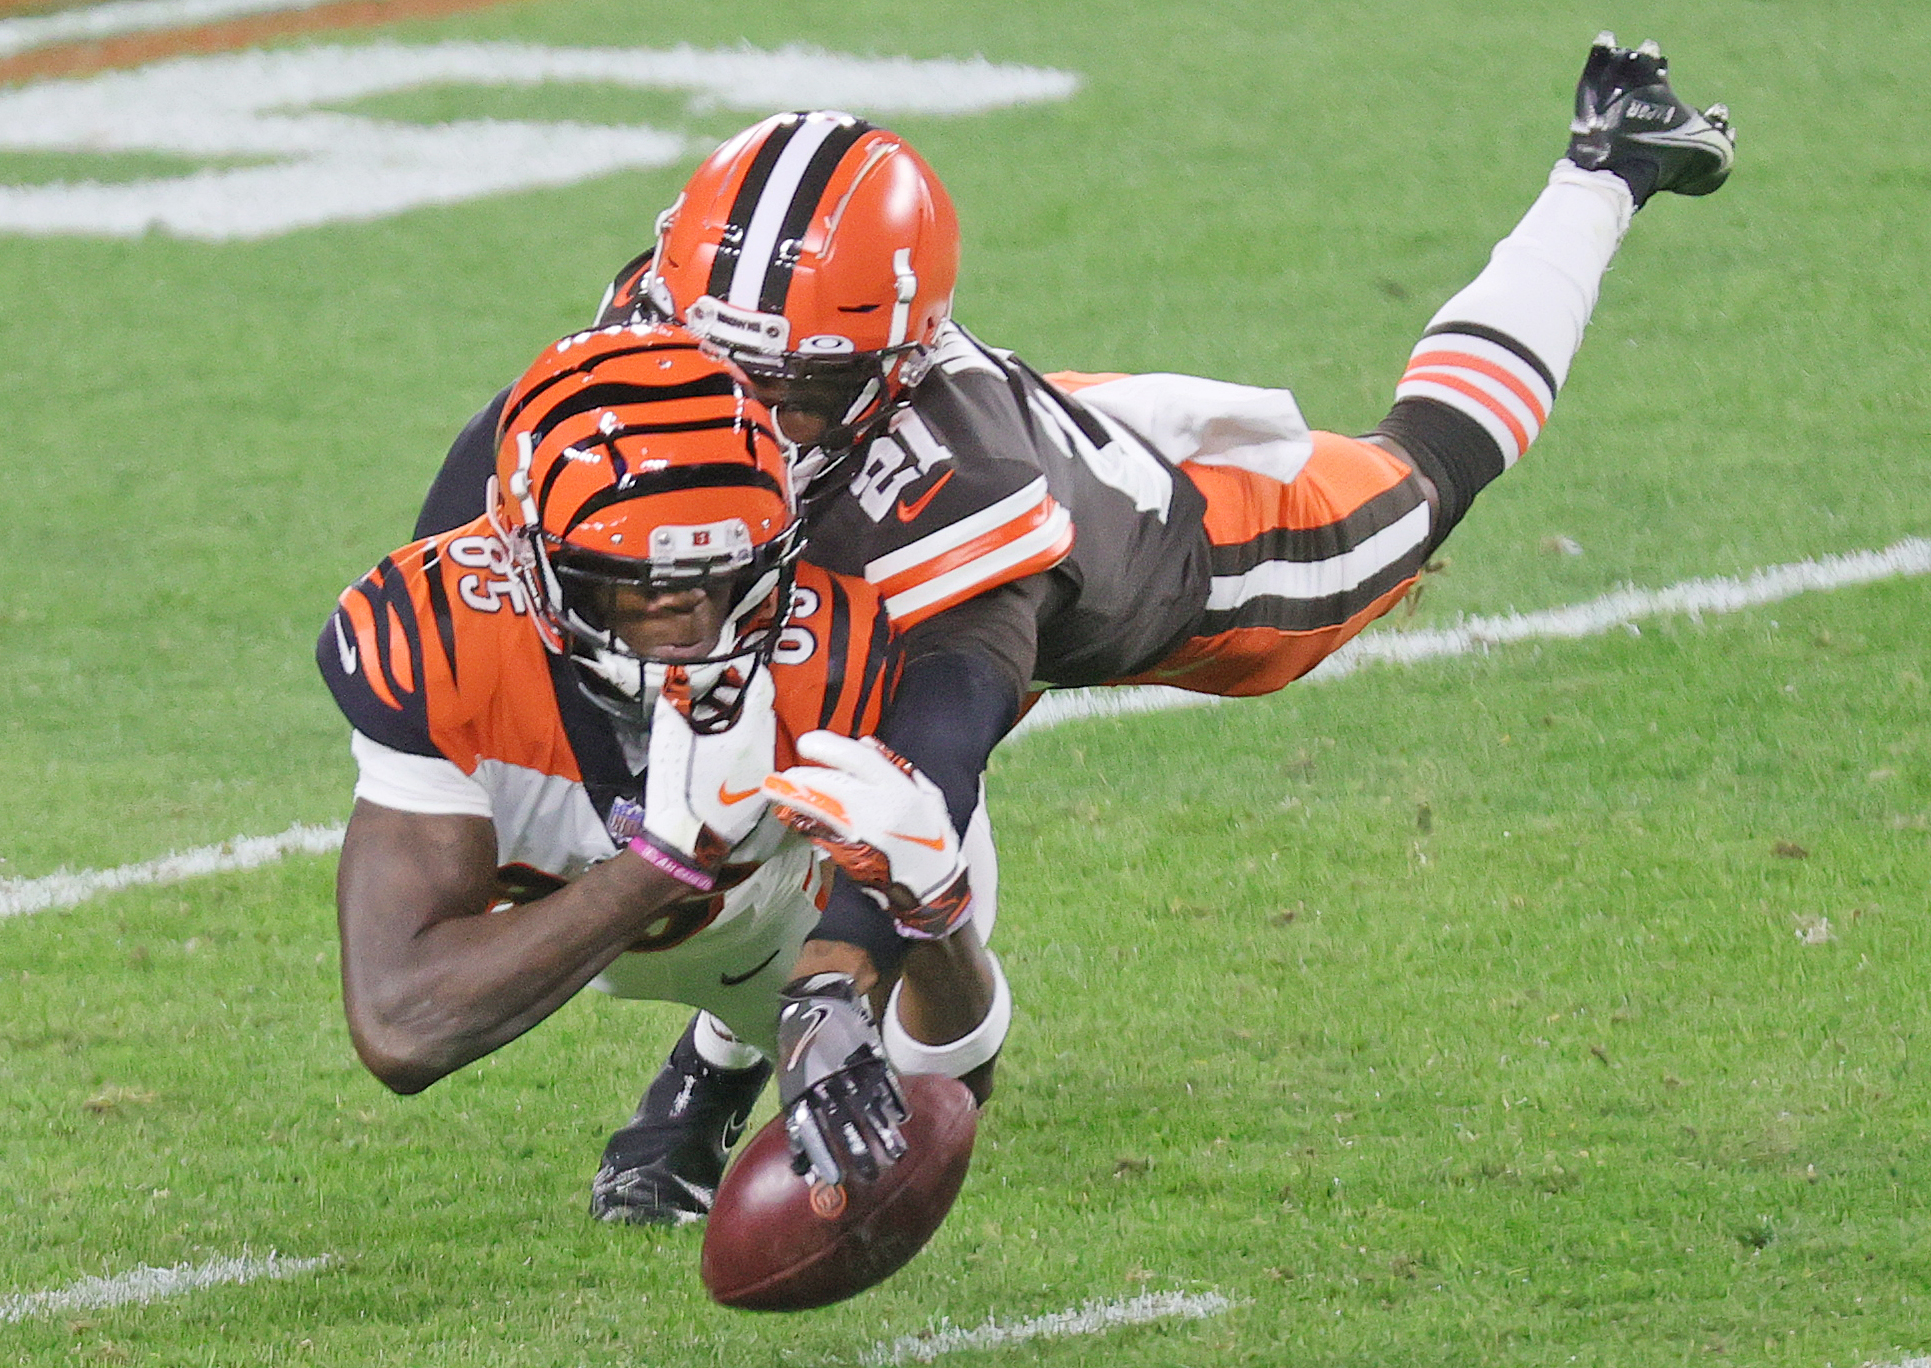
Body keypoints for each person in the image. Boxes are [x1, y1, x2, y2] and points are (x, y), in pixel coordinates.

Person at [414, 33, 1736, 1222]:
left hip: (1142, 561)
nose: (749, 421)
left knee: (1417, 478)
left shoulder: (958, 502)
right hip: (877, 559)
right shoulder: (664, 322)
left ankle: (1608, 167)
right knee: (722, 744)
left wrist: (834, 988)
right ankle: (707, 1076)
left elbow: (929, 775)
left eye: (801, 388)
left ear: (894, 364)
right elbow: (492, 478)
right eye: (725, 369)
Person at [321, 324, 1005, 1219]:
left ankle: (716, 1063)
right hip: (565, 913)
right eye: (635, 580)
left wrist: (928, 913)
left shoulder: (843, 650)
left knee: (886, 1151)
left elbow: (946, 1086)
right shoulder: (445, 638)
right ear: (532, 563)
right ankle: (721, 1045)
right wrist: (664, 859)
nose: (685, 608)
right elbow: (400, 1026)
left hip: (778, 905)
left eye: (719, 572)